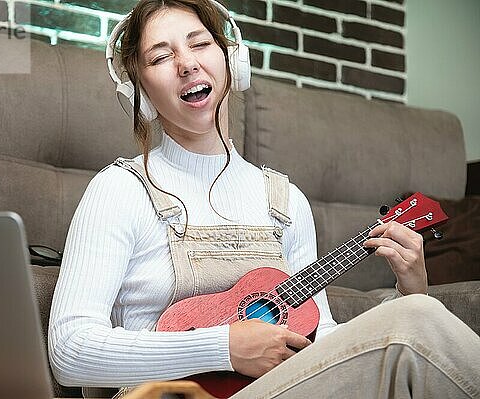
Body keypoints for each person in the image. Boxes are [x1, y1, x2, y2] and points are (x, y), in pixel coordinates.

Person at [48, 1, 480, 398]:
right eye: (161, 57)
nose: (186, 63)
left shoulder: (286, 199)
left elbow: (322, 340)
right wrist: (224, 348)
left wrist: (411, 293)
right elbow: (70, 351)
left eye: (200, 44)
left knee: (414, 317)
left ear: (232, 60)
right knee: (415, 324)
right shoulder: (120, 189)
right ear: (139, 89)